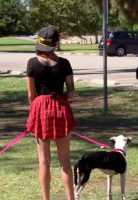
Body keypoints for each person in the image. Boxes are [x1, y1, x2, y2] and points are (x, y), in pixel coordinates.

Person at [26, 26, 76, 200]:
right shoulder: (64, 64)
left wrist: (37, 109)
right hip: (61, 108)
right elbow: (71, 92)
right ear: (56, 44)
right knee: (65, 163)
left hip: (40, 110)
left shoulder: (32, 63)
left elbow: (31, 94)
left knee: (43, 161)